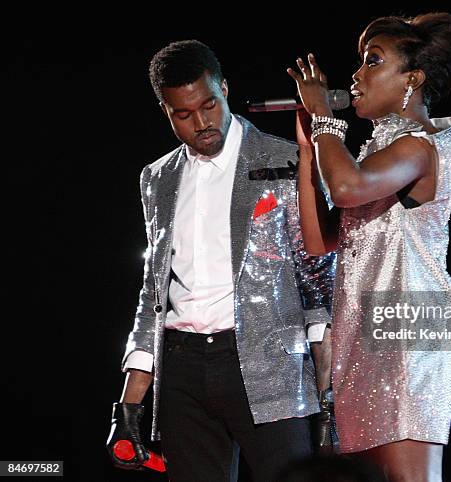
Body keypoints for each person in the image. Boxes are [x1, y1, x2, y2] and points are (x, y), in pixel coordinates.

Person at [105, 39, 336, 482]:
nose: (203, 122)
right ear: (166, 112)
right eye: (184, 114)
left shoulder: (285, 161)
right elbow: (153, 292)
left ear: (224, 89)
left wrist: (328, 399)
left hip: (268, 363)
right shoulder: (157, 177)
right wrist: (129, 405)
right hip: (182, 368)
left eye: (209, 105)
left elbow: (319, 286)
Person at [287, 13, 451, 482]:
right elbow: (318, 241)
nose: (355, 76)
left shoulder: (419, 146)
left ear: (412, 79)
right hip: (363, 329)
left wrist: (328, 122)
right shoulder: (376, 154)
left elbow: (347, 188)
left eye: (373, 61)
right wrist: (311, 149)